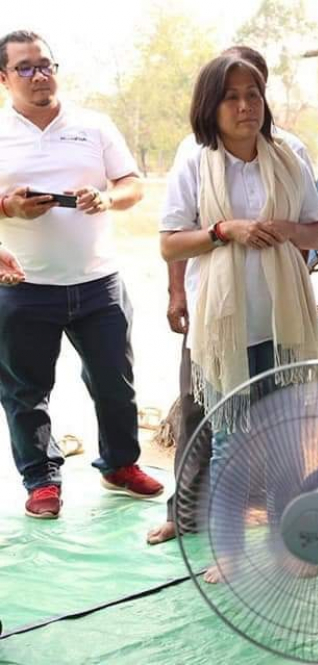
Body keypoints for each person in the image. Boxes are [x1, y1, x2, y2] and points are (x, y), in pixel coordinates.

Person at [158, 53, 318, 582]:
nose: (245, 106)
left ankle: (288, 543)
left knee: (286, 437)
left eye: (253, 95)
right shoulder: (195, 161)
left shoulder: (288, 156)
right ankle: (228, 552)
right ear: (210, 106)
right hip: (224, 329)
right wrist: (223, 231)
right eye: (231, 97)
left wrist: (286, 229)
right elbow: (169, 243)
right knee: (229, 440)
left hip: (282, 322)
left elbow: (317, 230)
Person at [0, 30, 163, 519]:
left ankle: (120, 465)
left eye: (46, 65)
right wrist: (8, 208)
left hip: (98, 282)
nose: (39, 75)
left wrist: (107, 198)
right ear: (4, 78)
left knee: (116, 382)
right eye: (25, 67)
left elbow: (132, 184)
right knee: (26, 392)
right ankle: (41, 481)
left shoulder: (93, 125)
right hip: (24, 286)